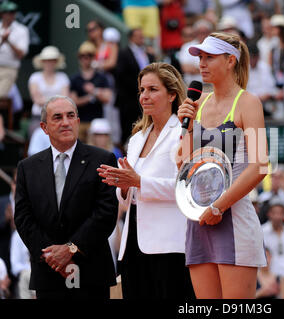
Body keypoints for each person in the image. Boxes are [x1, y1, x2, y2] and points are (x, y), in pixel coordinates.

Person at [177, 32, 268, 298]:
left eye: (209, 57)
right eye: (200, 58)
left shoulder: (249, 102)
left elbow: (260, 165)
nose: (201, 64)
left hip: (233, 217)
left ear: (230, 61)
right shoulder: (197, 102)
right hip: (200, 220)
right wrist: (187, 129)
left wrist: (220, 205)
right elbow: (183, 164)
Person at [97, 62, 194, 299]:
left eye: (152, 89)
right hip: (133, 244)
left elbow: (188, 188)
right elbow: (129, 192)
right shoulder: (137, 138)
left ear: (172, 94)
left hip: (170, 245)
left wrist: (139, 181)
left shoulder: (186, 133)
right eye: (142, 90)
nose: (144, 96)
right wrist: (123, 185)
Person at [14, 95, 119, 299]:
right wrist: (52, 256)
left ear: (78, 122)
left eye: (71, 116)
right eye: (57, 117)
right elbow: (23, 218)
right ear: (44, 127)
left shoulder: (103, 159)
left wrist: (71, 249)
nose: (65, 122)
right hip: (48, 274)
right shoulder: (27, 168)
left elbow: (106, 213)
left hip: (91, 273)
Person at [114, 28, 155, 145]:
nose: (142, 39)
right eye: (139, 36)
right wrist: (139, 88)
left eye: (142, 36)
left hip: (144, 99)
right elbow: (121, 75)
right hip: (128, 100)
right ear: (131, 38)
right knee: (129, 129)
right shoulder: (123, 53)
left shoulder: (147, 53)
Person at [70, 41, 112, 142]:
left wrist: (94, 91)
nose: (86, 59)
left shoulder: (101, 78)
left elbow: (107, 98)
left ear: (93, 57)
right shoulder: (75, 79)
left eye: (89, 55)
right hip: (80, 122)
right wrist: (90, 97)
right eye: (83, 56)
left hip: (97, 122)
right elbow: (72, 102)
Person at [28, 46, 70, 136]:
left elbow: (66, 99)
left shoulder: (63, 77)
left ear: (56, 62)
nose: (49, 63)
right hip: (39, 117)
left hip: (60, 118)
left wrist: (45, 100)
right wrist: (57, 100)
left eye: (52, 60)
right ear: (42, 62)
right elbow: (37, 100)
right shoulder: (35, 77)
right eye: (46, 60)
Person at [0, 1, 29, 98]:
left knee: (0, 96)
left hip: (9, 69)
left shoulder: (22, 30)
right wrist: (2, 41)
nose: (11, 15)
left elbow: (21, 54)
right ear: (2, 14)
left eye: (13, 12)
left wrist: (8, 41)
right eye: (8, 12)